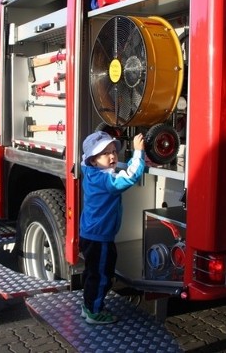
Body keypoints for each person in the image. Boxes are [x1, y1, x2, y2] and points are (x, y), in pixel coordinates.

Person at [79, 130, 145, 325]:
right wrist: (138, 153)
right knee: (101, 276)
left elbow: (119, 170)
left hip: (91, 234)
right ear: (92, 160)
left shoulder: (92, 173)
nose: (112, 156)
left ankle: (89, 306)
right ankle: (94, 312)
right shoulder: (105, 180)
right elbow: (129, 177)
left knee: (92, 273)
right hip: (100, 238)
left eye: (113, 151)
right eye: (105, 153)